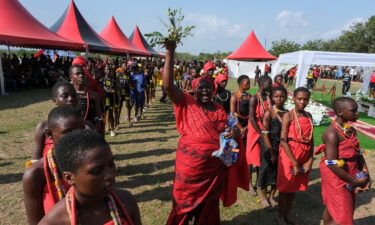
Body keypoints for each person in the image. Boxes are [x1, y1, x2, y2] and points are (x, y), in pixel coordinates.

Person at [163, 41, 246, 225]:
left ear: (213, 90)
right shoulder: (186, 102)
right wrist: (170, 51)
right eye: (201, 87)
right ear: (195, 90)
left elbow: (228, 132)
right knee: (182, 208)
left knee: (207, 213)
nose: (205, 90)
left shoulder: (218, 109)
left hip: (212, 172)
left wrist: (234, 132)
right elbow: (168, 86)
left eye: (208, 87)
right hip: (189, 169)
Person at [38, 129, 142, 225]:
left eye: (111, 165)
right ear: (69, 178)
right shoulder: (55, 221)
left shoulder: (125, 201)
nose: (110, 175)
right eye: (96, 171)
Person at [23, 106, 85, 225]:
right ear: (49, 134)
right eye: (68, 132)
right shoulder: (36, 174)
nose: (77, 138)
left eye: (81, 130)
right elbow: (36, 222)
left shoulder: (91, 163)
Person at [315, 97, 371, 225]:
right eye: (353, 110)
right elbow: (331, 164)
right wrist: (354, 181)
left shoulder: (351, 130)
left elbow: (358, 153)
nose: (357, 113)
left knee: (335, 207)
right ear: (340, 112)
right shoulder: (332, 134)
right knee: (342, 211)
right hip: (336, 176)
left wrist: (366, 173)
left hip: (349, 172)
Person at [277, 87, 314, 225]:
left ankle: (288, 214)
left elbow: (311, 140)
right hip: (289, 154)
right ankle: (280, 216)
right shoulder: (289, 115)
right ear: (293, 99)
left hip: (304, 154)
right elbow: (283, 140)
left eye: (305, 99)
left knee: (295, 186)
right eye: (299, 99)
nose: (302, 102)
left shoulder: (309, 116)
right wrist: (295, 163)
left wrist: (309, 160)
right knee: (286, 186)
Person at [31, 81, 78, 160]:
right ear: (54, 100)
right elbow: (36, 160)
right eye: (65, 96)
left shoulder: (85, 126)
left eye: (73, 95)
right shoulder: (43, 127)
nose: (70, 99)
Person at [259, 86, 288, 209]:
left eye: (282, 96)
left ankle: (272, 196)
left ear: (285, 98)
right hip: (268, 146)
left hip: (282, 147)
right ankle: (264, 197)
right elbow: (265, 133)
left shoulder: (287, 113)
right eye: (276, 96)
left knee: (278, 173)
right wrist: (271, 152)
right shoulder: (269, 113)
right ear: (272, 98)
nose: (279, 99)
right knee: (266, 171)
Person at [246, 75, 273, 196]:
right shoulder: (254, 98)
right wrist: (259, 133)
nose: (271, 86)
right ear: (262, 84)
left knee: (261, 157)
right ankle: (249, 183)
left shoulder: (268, 97)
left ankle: (259, 181)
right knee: (251, 157)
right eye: (269, 83)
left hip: (265, 128)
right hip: (255, 129)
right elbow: (251, 117)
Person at [70, 65, 103, 135]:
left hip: (90, 132)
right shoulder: (68, 95)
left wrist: (98, 129)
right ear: (71, 77)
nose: (81, 76)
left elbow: (98, 116)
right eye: (77, 74)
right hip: (72, 132)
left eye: (83, 73)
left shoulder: (94, 95)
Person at [117, 62, 134, 126]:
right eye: (124, 66)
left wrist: (133, 87)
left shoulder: (129, 75)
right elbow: (116, 83)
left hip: (127, 92)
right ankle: (117, 120)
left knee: (128, 105)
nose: (126, 67)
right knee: (119, 106)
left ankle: (129, 120)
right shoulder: (118, 74)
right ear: (121, 66)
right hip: (120, 92)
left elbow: (132, 83)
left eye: (126, 66)